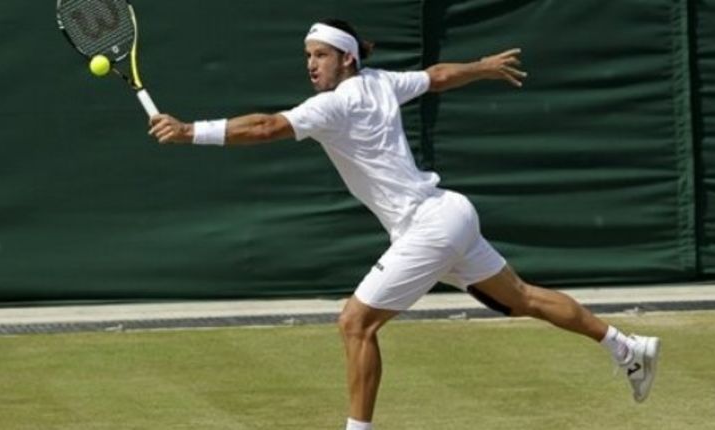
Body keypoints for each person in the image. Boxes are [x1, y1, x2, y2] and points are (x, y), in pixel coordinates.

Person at [148, 19, 661, 430]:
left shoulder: (337, 103)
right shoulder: (380, 82)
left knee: (355, 323)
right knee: (522, 297)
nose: (311, 64)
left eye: (320, 54)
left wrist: (190, 130)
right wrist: (480, 68)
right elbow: (437, 77)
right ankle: (627, 347)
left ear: (346, 57)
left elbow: (266, 127)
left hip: (428, 224)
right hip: (449, 214)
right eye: (307, 55)